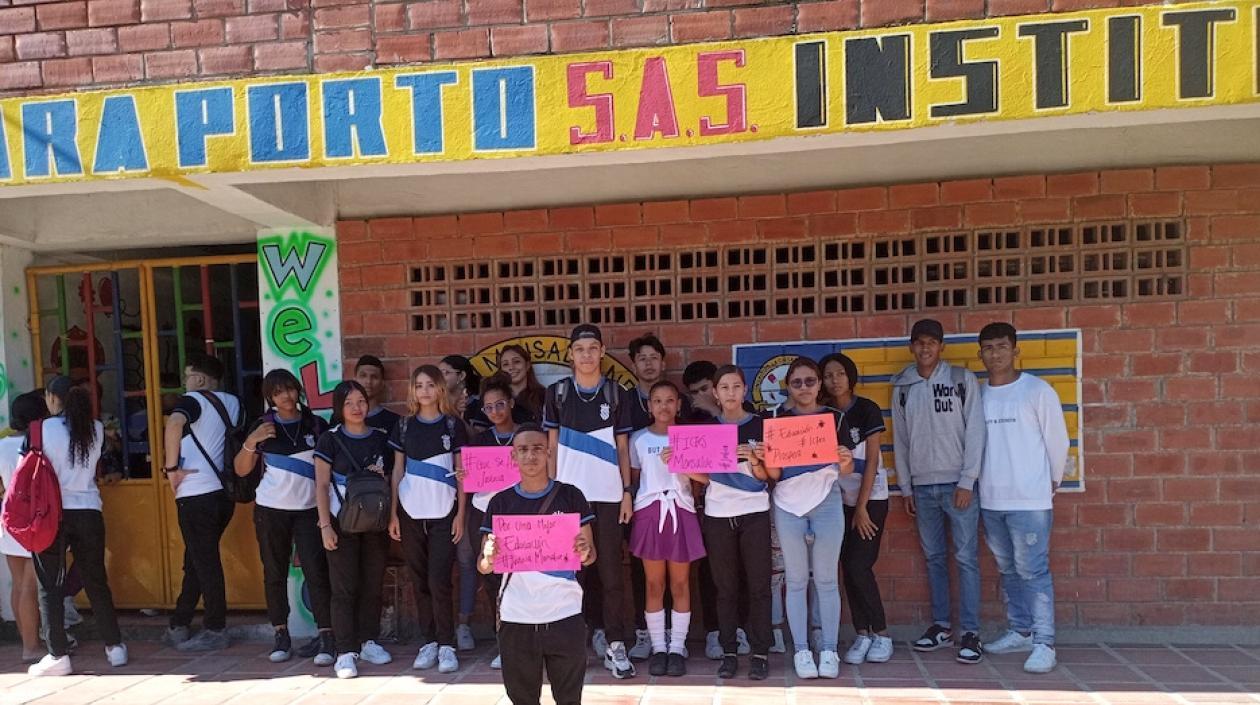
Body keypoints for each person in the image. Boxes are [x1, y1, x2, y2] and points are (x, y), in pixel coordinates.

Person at [543, 323, 636, 679]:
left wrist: (627, 492)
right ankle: (572, 643)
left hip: (610, 496)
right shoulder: (559, 393)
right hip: (569, 498)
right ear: (570, 354)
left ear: (601, 352)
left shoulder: (616, 393)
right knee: (571, 573)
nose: (586, 355)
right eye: (580, 349)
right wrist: (551, 494)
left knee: (611, 574)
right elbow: (550, 446)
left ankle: (615, 643)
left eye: (593, 348)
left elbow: (624, 448)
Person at [891, 318, 987, 664]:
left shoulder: (962, 379)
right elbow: (899, 441)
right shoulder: (902, 385)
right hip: (922, 486)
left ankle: (971, 632)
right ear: (911, 347)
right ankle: (942, 626)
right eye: (919, 342)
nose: (925, 348)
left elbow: (976, 431)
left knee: (965, 558)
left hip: (957, 485)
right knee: (934, 558)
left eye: (932, 342)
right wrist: (905, 487)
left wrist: (967, 480)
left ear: (942, 346)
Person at [479, 424, 595, 705]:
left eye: (537, 449)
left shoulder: (571, 496)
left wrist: (584, 549)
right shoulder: (500, 502)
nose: (530, 456)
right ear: (512, 457)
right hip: (516, 615)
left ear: (549, 453)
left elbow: (590, 556)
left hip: (565, 613)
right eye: (523, 450)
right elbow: (483, 565)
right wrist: (489, 556)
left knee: (569, 698)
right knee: (522, 699)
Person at [977, 323, 1069, 674]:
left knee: (1033, 570)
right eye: (988, 347)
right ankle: (1021, 631)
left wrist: (1051, 482)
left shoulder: (1037, 391)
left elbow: (1057, 441)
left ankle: (1045, 642)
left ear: (1015, 351)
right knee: (1007, 569)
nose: (995, 354)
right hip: (991, 499)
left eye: (1002, 346)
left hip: (1030, 500)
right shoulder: (979, 394)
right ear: (980, 353)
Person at [27, 376, 127, 676]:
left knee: (49, 585)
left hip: (52, 514)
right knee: (96, 581)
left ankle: (58, 655)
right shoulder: (95, 428)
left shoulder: (40, 429)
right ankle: (115, 647)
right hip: (89, 511)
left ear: (52, 398)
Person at [234, 369, 334, 665]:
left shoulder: (316, 424)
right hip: (270, 509)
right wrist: (251, 441)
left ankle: (326, 635)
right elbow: (241, 470)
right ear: (270, 397)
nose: (286, 396)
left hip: (309, 511)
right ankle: (281, 634)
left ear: (298, 390)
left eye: (289, 389)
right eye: (278, 392)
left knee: (317, 572)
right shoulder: (262, 426)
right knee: (274, 572)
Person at [761, 357, 853, 680]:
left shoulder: (834, 418)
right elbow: (773, 475)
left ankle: (828, 649)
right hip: (788, 503)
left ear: (819, 384)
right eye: (797, 382)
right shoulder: (775, 420)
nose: (804, 387)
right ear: (788, 386)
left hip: (826, 501)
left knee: (827, 580)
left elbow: (848, 468)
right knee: (797, 580)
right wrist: (766, 458)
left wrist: (844, 460)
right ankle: (801, 649)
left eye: (810, 381)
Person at [692, 365, 774, 680]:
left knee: (758, 586)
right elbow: (706, 477)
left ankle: (760, 652)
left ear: (744, 390)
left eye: (736, 386)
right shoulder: (707, 429)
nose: (730, 393)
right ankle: (729, 652)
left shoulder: (761, 425)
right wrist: (683, 466)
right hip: (717, 513)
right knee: (724, 588)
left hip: (754, 510)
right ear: (715, 392)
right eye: (723, 387)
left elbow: (770, 477)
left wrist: (755, 460)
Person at [389, 364, 467, 674]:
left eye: (430, 384)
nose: (424, 390)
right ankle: (429, 641)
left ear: (440, 389)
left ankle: (447, 644)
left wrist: (461, 514)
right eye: (418, 385)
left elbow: (462, 475)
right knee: (419, 580)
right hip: (410, 513)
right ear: (412, 390)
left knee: (439, 580)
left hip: (444, 513)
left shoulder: (452, 426)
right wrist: (393, 513)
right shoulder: (404, 427)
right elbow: (397, 471)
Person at [162, 352, 241, 652]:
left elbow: (173, 424)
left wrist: (171, 470)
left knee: (204, 561)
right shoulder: (233, 403)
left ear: (200, 379)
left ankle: (215, 627)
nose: (185, 383)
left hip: (196, 492)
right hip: (225, 493)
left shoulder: (194, 400)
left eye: (187, 376)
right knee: (195, 558)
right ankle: (180, 622)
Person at [314, 380, 393, 679]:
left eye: (361, 401)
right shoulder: (329, 440)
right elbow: (321, 485)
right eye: (349, 403)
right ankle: (345, 651)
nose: (357, 408)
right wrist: (324, 526)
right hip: (340, 522)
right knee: (344, 588)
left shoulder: (381, 438)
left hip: (375, 521)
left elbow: (391, 476)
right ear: (339, 408)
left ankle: (368, 641)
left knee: (372, 584)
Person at [819, 352, 895, 666]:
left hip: (870, 500)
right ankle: (862, 633)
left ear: (851, 376)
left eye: (840, 373)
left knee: (859, 565)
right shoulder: (822, 414)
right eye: (828, 375)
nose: (834, 380)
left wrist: (862, 507)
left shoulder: (866, 409)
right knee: (846, 568)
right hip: (838, 501)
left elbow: (873, 461)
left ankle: (882, 633)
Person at [629, 381, 704, 677]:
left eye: (670, 400)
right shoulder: (638, 439)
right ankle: (659, 647)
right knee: (653, 584)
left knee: (681, 584)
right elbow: (635, 479)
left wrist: (683, 463)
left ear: (679, 404)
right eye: (657, 401)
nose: (664, 406)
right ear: (649, 406)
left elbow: (705, 480)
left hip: (681, 511)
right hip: (650, 512)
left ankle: (677, 648)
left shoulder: (690, 438)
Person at [466, 373, 519, 669]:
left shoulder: (526, 435)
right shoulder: (480, 441)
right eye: (489, 407)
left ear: (511, 403)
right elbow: (473, 484)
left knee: (519, 578)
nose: (496, 411)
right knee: (491, 578)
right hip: (484, 516)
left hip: (518, 515)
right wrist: (466, 477)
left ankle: (522, 641)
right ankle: (503, 643)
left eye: (501, 404)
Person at [1, 392, 50, 663]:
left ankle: (27, 644)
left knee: (19, 584)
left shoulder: (1, 446)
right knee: (31, 586)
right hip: (35, 522)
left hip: (8, 521)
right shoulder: (38, 445)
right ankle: (32, 648)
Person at [497, 344, 546, 423]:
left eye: (516, 362)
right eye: (505, 364)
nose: (511, 367)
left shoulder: (544, 396)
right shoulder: (494, 398)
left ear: (527, 365)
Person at [356, 355, 401, 434]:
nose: (368, 381)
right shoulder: (340, 418)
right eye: (363, 376)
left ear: (382, 383)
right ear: (355, 380)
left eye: (374, 377)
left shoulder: (394, 421)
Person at [439, 355, 483, 427]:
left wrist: (457, 415)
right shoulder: (438, 403)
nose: (440, 378)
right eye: (438, 374)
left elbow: (478, 436)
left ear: (461, 375)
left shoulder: (478, 403)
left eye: (445, 373)